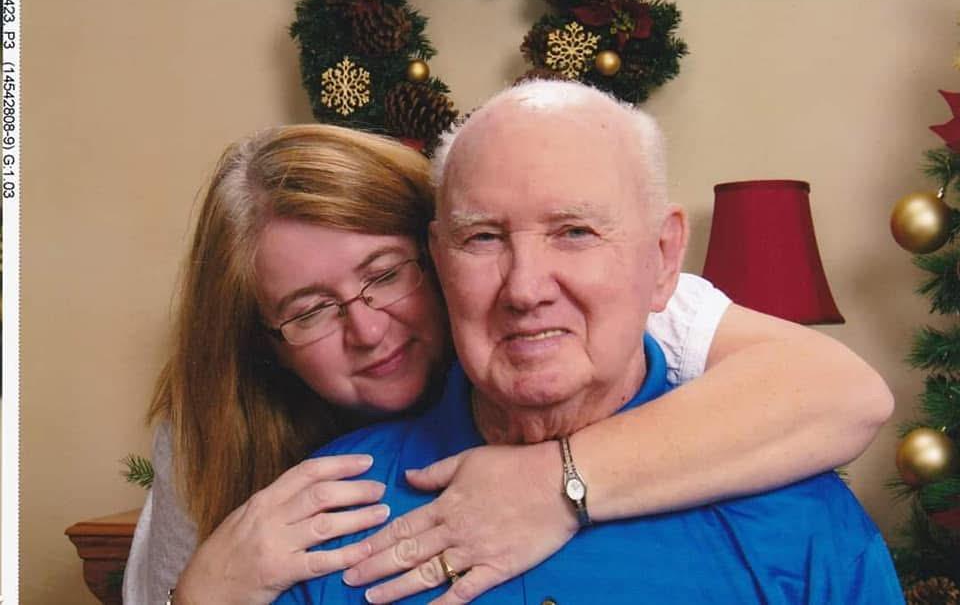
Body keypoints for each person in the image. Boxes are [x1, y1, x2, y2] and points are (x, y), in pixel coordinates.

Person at [124, 119, 893, 605]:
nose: (528, 290)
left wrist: (560, 481)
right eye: (310, 309)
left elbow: (849, 394)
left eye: (385, 274)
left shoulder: (658, 316)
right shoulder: (247, 474)